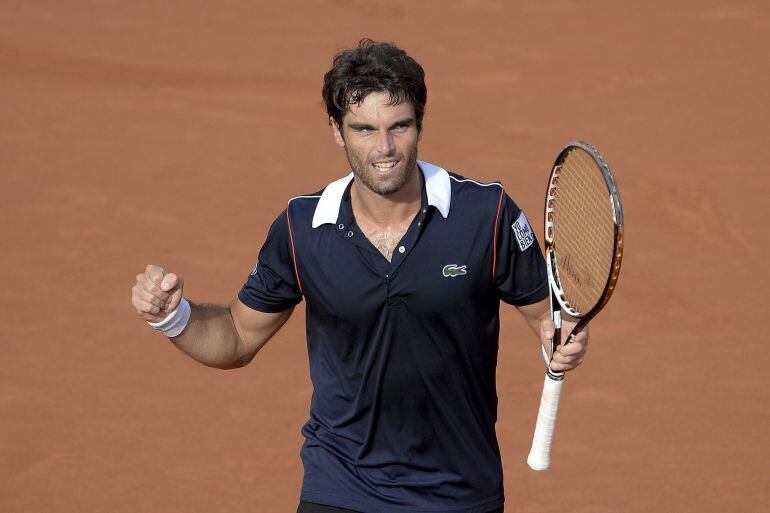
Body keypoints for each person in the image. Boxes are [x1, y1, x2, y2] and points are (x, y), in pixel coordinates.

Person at [131, 39, 588, 513]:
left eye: (399, 127)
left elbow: (546, 315)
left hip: (458, 493)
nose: (384, 148)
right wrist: (173, 317)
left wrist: (560, 334)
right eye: (364, 129)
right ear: (337, 130)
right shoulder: (302, 228)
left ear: (420, 124)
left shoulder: (485, 215)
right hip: (341, 486)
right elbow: (236, 335)